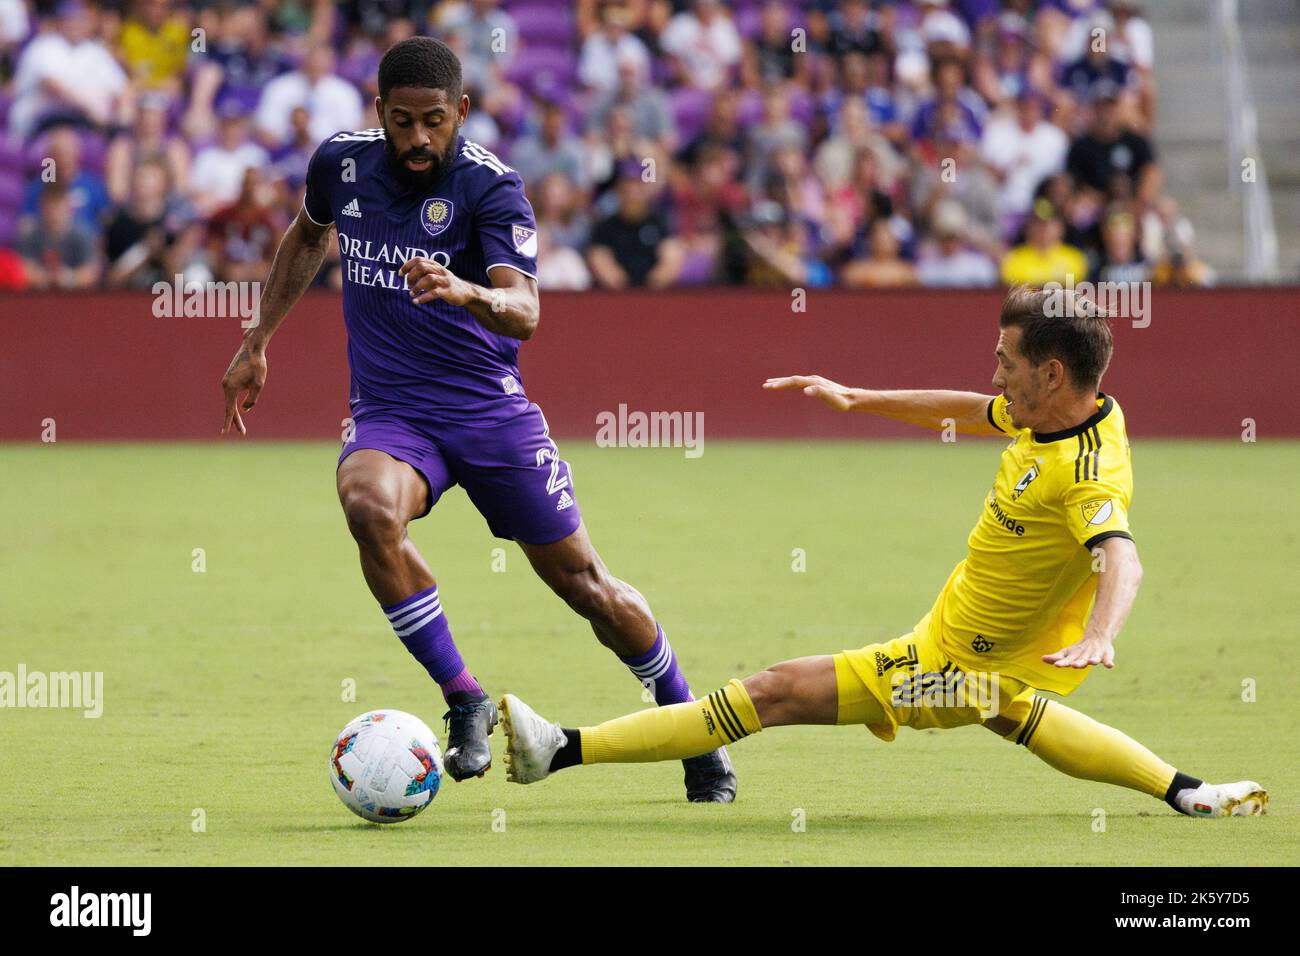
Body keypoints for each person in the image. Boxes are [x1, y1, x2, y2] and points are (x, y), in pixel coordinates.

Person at [499, 286, 1268, 821]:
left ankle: (558, 751)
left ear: (1052, 372)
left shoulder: (1086, 474)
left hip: (947, 668)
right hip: (979, 660)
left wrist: (1103, 634)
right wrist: (857, 397)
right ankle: (1188, 791)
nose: (995, 372)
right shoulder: (1063, 413)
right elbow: (973, 409)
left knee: (770, 693)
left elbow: (1120, 556)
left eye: (1006, 358)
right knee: (1012, 712)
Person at [217, 37, 734, 802]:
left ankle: (691, 725)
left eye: (433, 121)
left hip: (489, 413)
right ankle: (463, 697)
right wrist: (257, 337)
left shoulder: (492, 187)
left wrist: (466, 292)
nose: (419, 139)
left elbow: (525, 310)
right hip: (393, 415)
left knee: (587, 587)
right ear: (379, 114)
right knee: (367, 507)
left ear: (461, 111)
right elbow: (307, 233)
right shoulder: (340, 164)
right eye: (402, 122)